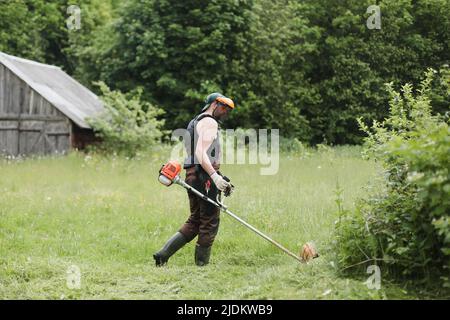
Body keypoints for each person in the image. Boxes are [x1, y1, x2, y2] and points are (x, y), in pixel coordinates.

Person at [153, 93, 235, 266]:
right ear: (214, 104)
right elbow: (200, 152)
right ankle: (201, 267)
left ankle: (162, 255)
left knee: (196, 219)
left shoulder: (194, 121)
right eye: (224, 107)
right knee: (210, 221)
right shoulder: (210, 121)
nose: (226, 112)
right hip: (204, 175)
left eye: (229, 110)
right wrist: (214, 176)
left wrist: (219, 177)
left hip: (193, 174)